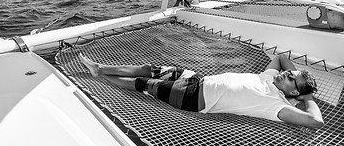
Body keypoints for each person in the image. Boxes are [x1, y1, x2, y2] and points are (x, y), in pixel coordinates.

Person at [79, 54, 324, 129]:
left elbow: (315, 121)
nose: (287, 74)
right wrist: (299, 79)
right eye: (290, 73)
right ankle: (100, 67)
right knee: (149, 68)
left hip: (193, 98)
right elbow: (281, 58)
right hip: (197, 79)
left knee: (142, 84)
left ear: (293, 94)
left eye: (292, 79)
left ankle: (99, 74)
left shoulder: (275, 104)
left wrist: (307, 96)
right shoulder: (270, 77)